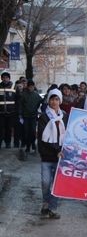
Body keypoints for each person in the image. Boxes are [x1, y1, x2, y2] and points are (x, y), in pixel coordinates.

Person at [37, 89, 68, 219]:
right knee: (45, 182)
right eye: (52, 99)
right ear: (48, 100)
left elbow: (68, 135)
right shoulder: (44, 117)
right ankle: (45, 202)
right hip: (48, 156)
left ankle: (52, 208)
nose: (54, 102)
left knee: (56, 184)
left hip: (60, 157)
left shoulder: (65, 116)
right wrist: (56, 150)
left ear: (60, 101)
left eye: (56, 99)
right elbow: (44, 138)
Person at [19, 80, 42, 153]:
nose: (31, 88)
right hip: (25, 116)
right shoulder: (23, 95)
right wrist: (20, 114)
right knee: (26, 132)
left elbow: (40, 102)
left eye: (32, 87)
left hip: (33, 116)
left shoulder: (36, 95)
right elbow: (21, 105)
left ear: (34, 87)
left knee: (32, 131)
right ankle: (28, 146)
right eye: (30, 87)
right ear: (28, 87)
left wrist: (36, 110)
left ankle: (33, 144)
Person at [0, 72, 17, 149]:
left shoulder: (13, 87)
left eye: (7, 77)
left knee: (9, 129)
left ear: (9, 78)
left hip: (11, 113)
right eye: (3, 77)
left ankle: (8, 143)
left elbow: (17, 99)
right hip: (1, 113)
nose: (5, 79)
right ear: (1, 78)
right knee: (0, 129)